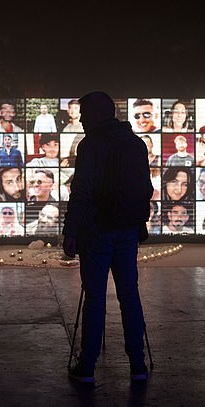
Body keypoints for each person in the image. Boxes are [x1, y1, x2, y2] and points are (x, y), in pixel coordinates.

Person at [62, 91, 152, 383]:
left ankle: (87, 366)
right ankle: (138, 365)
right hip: (127, 231)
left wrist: (71, 231)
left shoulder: (91, 145)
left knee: (95, 296)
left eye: (85, 114)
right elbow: (145, 189)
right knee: (129, 295)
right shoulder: (136, 144)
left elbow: (82, 191)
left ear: (100, 113)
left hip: (97, 231)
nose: (83, 120)